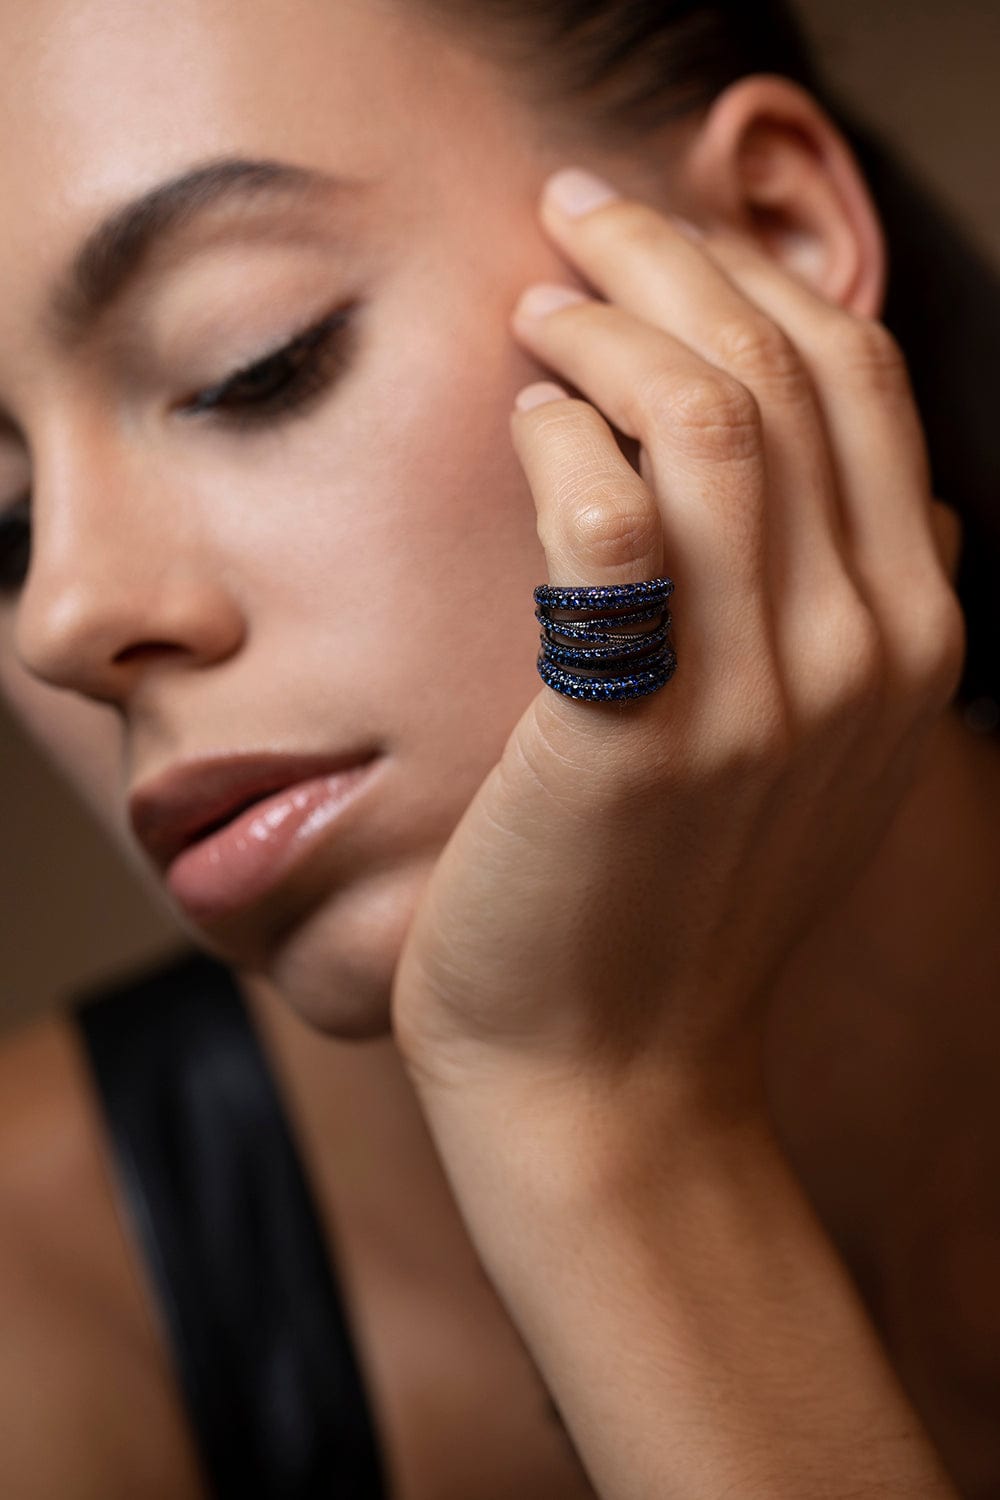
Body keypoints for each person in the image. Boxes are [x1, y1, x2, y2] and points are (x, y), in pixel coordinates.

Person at [0, 0, 998, 1495]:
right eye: (1, 527)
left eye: (250, 363)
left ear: (772, 237)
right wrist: (598, 1121)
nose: (61, 616)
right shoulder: (41, 1307)